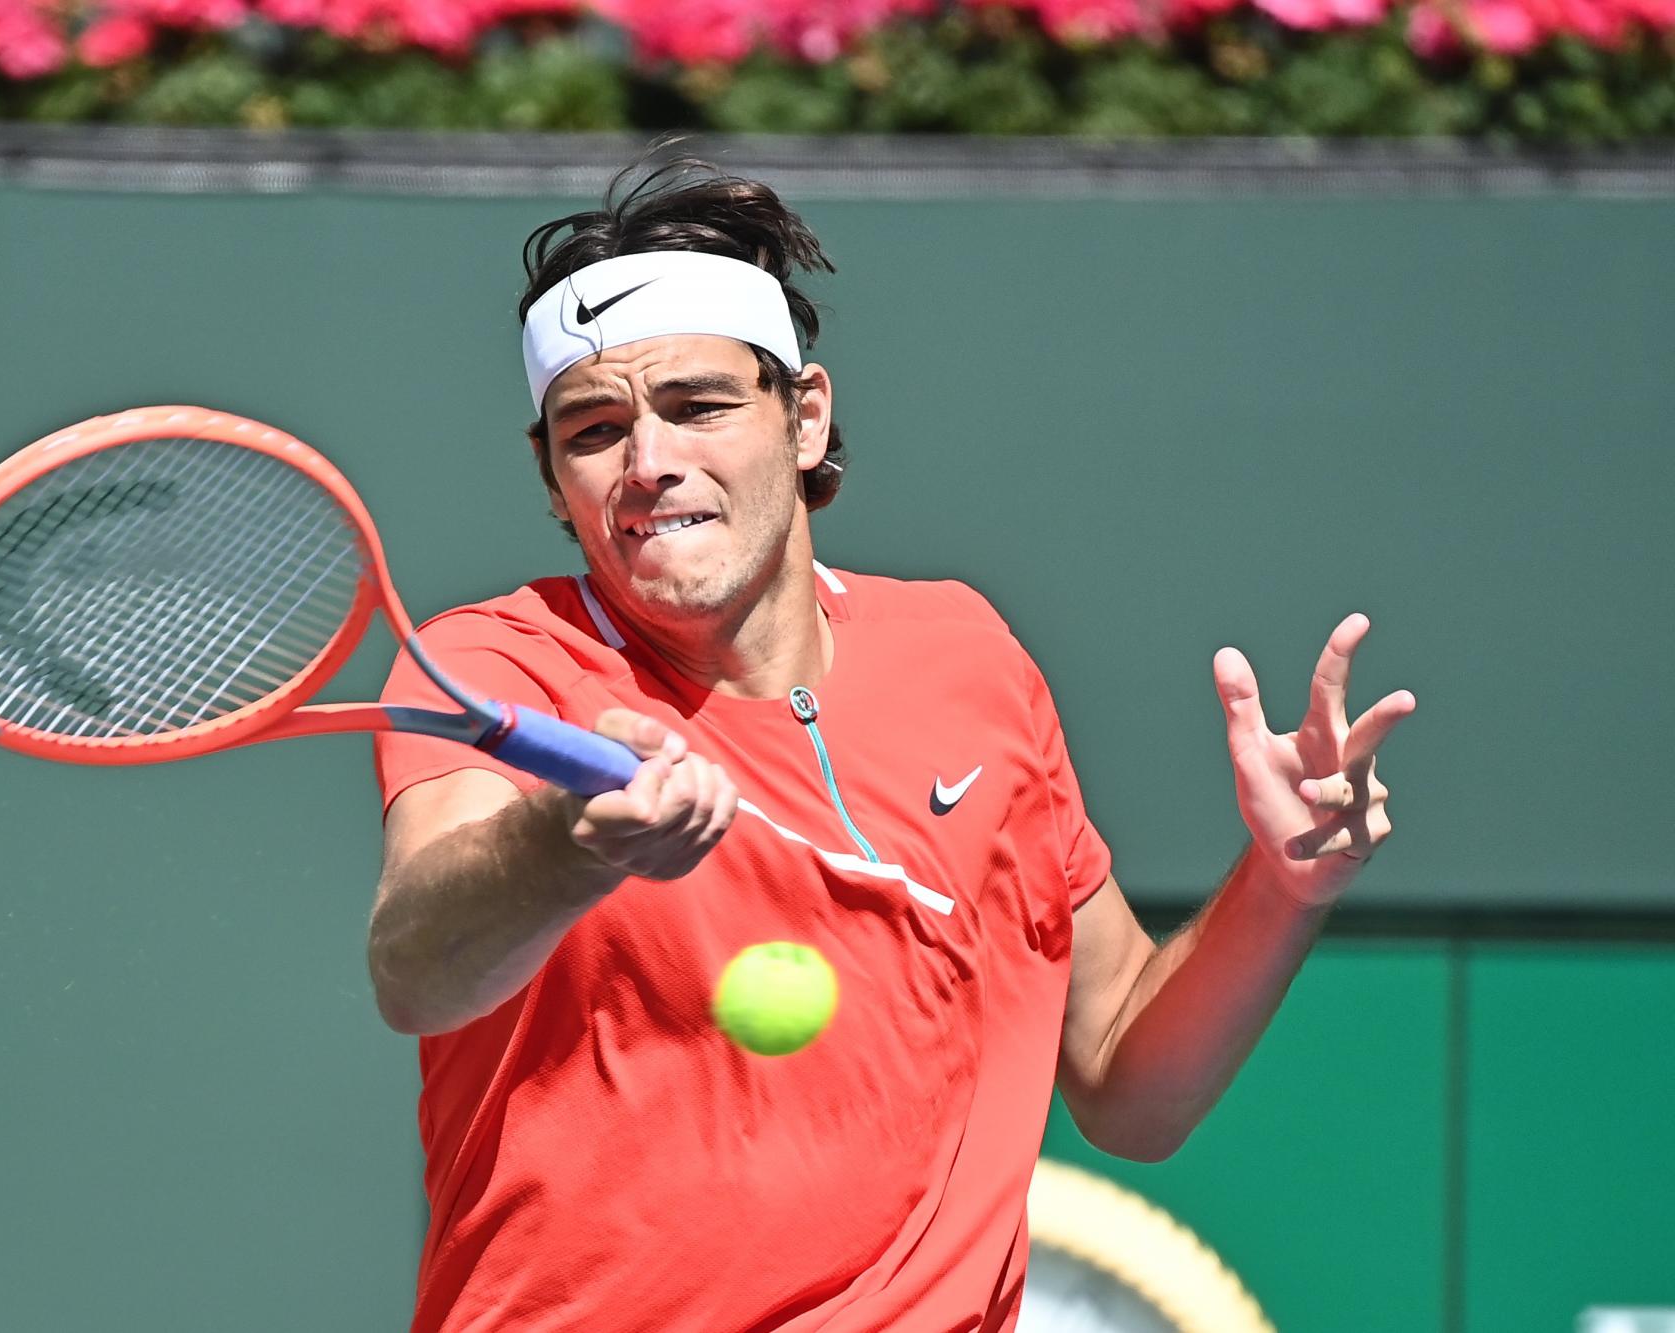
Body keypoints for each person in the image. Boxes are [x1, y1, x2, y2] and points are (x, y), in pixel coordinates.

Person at [367, 156, 1414, 1332]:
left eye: (698, 406)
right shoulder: (497, 666)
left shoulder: (967, 656)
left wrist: (1281, 881)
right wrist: (565, 840)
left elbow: (1129, 1085)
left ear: (804, 416)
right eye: (595, 430)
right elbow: (416, 967)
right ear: (553, 479)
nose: (648, 462)